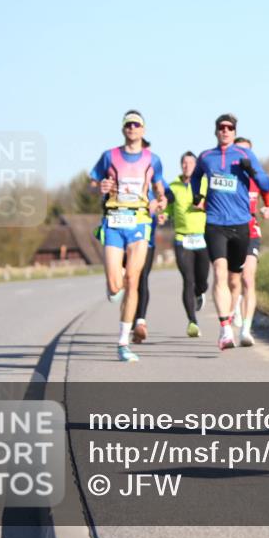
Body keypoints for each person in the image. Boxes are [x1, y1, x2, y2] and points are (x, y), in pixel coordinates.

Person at [89, 110, 167, 363]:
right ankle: (114, 285)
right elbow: (93, 182)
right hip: (113, 220)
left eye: (137, 125)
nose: (132, 128)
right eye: (128, 125)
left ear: (143, 130)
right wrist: (99, 187)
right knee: (115, 285)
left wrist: (160, 200)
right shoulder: (109, 156)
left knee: (133, 279)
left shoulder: (152, 159)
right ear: (123, 130)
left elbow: (159, 186)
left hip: (139, 221)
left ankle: (123, 342)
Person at [191, 114, 269, 351]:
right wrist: (198, 194)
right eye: (221, 128)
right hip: (215, 222)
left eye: (230, 128)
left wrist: (252, 172)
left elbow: (267, 185)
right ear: (216, 131)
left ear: (235, 132)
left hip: (240, 224)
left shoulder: (245, 155)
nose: (225, 131)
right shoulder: (206, 156)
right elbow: (196, 176)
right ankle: (225, 329)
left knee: (236, 278)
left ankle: (242, 326)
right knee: (219, 272)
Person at [232, 136, 269, 346]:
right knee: (233, 281)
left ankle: (246, 330)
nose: (243, 157)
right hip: (229, 231)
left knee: (248, 278)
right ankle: (231, 313)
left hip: (251, 231)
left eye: (247, 153)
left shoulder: (258, 178)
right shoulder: (226, 177)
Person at [166, 151, 210, 338]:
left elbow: (216, 203)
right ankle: (192, 322)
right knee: (188, 280)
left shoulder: (205, 183)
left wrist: (204, 205)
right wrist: (163, 214)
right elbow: (167, 208)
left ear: (196, 165)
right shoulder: (173, 186)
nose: (187, 166)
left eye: (191, 162)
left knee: (202, 280)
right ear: (180, 165)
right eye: (184, 162)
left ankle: (200, 293)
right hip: (182, 238)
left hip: (202, 237)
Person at [130, 140, 167, 344]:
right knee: (129, 280)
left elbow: (165, 196)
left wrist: (160, 207)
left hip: (147, 239)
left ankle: (140, 321)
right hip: (124, 236)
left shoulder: (154, 175)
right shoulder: (123, 173)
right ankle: (131, 319)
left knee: (142, 277)